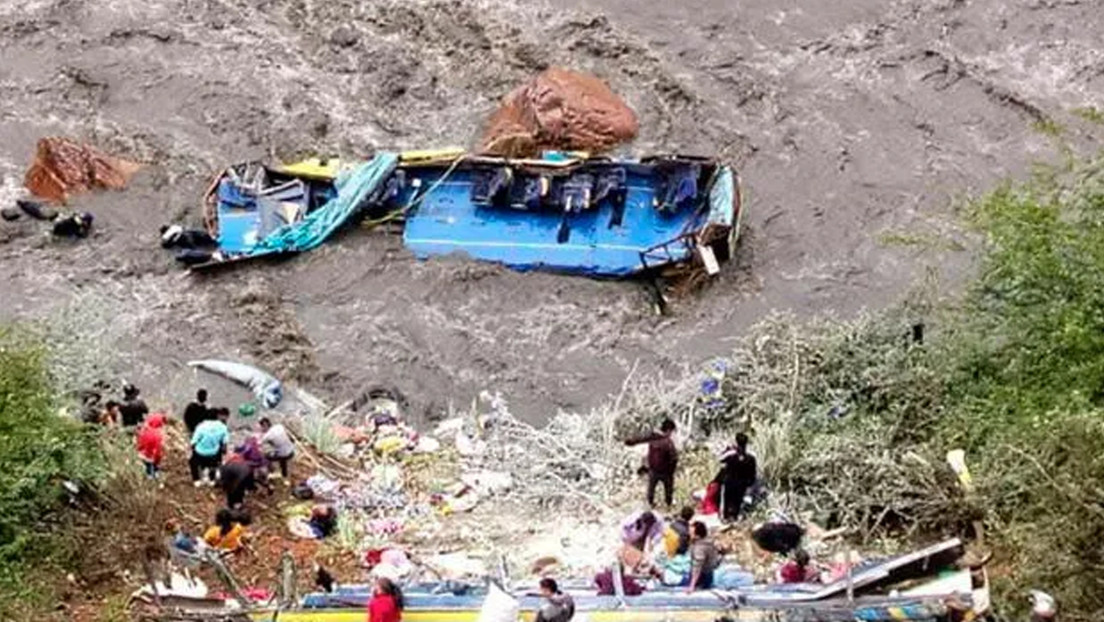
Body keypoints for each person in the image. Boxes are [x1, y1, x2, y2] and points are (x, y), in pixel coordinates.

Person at [625, 418, 678, 507]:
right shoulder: (668, 442)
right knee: (668, 491)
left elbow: (641, 439)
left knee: (651, 490)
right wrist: (671, 471)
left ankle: (651, 505)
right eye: (671, 431)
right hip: (666, 472)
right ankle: (668, 505)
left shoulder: (654, 436)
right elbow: (674, 458)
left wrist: (631, 442)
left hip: (653, 469)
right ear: (669, 430)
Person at [715, 432, 757, 521]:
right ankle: (735, 518)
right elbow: (753, 472)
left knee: (726, 501)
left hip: (730, 482)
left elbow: (720, 459)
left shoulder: (731, 455)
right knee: (737, 502)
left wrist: (727, 449)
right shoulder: (750, 457)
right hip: (742, 484)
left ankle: (725, 518)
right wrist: (750, 483)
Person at [190, 409, 229, 487]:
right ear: (217, 417)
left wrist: (193, 449)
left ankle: (196, 480)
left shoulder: (201, 426)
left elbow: (193, 442)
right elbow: (225, 443)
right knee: (214, 464)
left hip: (200, 452)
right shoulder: (223, 427)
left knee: (192, 462)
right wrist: (223, 453)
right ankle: (211, 480)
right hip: (214, 453)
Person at [686, 521, 720, 592]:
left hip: (702, 578)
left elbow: (697, 566)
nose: (688, 533)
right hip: (709, 573)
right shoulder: (709, 542)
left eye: (691, 532)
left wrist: (692, 585)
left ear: (697, 535)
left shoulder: (700, 547)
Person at [136, 413, 167, 479]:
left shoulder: (144, 431)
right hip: (152, 457)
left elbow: (139, 444)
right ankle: (154, 477)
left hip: (143, 455)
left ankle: (149, 477)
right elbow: (158, 450)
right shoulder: (157, 435)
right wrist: (157, 460)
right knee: (153, 470)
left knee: (148, 469)